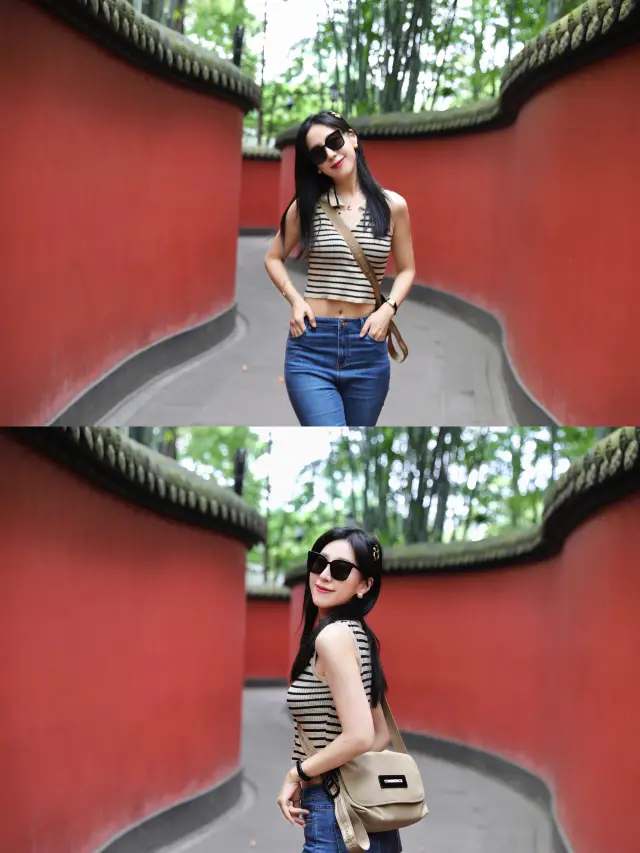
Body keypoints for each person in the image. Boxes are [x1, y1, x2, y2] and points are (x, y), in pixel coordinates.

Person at [264, 111, 416, 427]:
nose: (331, 154)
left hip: (367, 349)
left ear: (352, 137)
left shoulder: (393, 206)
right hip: (311, 348)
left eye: (334, 142)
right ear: (315, 166)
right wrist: (295, 299)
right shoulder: (306, 207)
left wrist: (387, 310)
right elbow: (273, 257)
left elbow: (406, 270)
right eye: (319, 153)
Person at [277, 527, 402, 852]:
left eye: (341, 569)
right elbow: (381, 732)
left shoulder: (333, 638)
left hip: (336, 814)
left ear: (364, 585)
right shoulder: (357, 633)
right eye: (319, 562)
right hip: (365, 810)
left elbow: (362, 735)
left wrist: (300, 773)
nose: (324, 575)